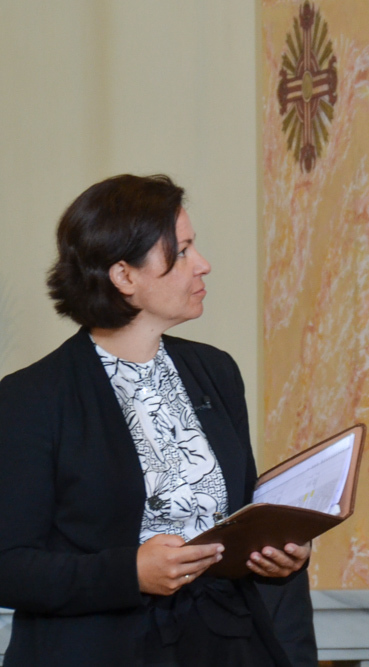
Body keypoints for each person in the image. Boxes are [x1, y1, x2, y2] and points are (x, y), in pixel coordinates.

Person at [0, 174, 313, 666]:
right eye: (182, 251)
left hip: (226, 644)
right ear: (124, 276)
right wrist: (130, 573)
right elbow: (10, 567)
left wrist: (275, 555)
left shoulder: (215, 371)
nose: (203, 264)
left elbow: (238, 515)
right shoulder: (31, 397)